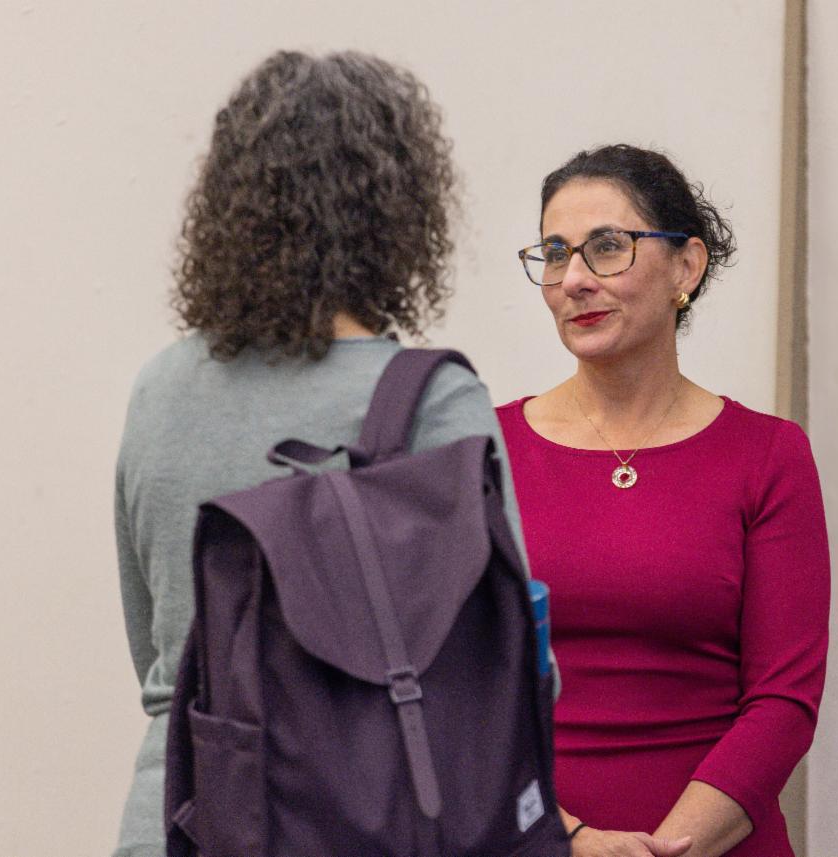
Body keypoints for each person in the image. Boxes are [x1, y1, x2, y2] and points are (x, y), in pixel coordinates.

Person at [111, 50, 531, 857]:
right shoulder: (431, 400)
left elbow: (160, 649)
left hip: (174, 819)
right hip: (356, 819)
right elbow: (511, 655)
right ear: (399, 212)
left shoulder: (158, 389)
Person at [497, 145, 830, 857]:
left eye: (608, 247)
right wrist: (573, 841)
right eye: (556, 254)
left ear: (687, 266)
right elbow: (459, 689)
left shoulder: (768, 455)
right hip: (536, 840)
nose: (576, 279)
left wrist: (667, 849)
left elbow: (784, 700)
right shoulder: (487, 450)